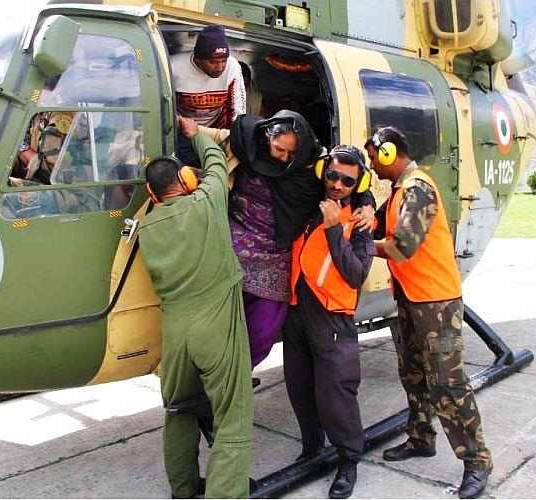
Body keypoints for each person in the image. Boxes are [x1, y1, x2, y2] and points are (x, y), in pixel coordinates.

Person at [180, 111, 374, 368]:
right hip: (230, 240)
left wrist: (367, 202)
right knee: (214, 319)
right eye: (279, 149)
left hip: (275, 253)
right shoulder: (249, 143)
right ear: (267, 138)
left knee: (263, 329)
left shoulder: (312, 161)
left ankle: (236, 372)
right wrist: (193, 131)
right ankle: (210, 374)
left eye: (292, 153)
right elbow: (218, 137)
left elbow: (348, 178)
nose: (284, 158)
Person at [365, 126, 492, 499]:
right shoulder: (399, 191)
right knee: (414, 372)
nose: (372, 165)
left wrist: (360, 243)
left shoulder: (418, 189)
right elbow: (381, 225)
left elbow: (402, 246)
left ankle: (477, 461)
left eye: (374, 157)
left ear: (389, 153)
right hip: (410, 298)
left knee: (448, 384)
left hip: (435, 303)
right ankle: (421, 438)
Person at [138, 126, 253, 499]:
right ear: (187, 180)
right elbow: (217, 162)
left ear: (151, 195)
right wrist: (198, 133)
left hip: (176, 335)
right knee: (233, 418)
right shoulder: (206, 200)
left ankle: (184, 489)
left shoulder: (146, 226)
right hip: (216, 327)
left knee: (178, 411)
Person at [283, 146, 375, 499]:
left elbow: (356, 275)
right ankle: (311, 447)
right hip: (297, 313)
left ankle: (348, 460)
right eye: (333, 175)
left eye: (348, 181)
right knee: (300, 387)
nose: (337, 185)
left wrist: (337, 229)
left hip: (333, 319)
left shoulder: (361, 224)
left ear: (358, 183)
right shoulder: (310, 202)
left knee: (336, 394)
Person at [171, 25, 245, 164]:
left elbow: (237, 110)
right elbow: (164, 104)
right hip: (182, 129)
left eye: (223, 61)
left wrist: (233, 140)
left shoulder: (232, 67)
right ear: (198, 59)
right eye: (213, 62)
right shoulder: (174, 66)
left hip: (216, 131)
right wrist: (180, 122)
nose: (220, 67)